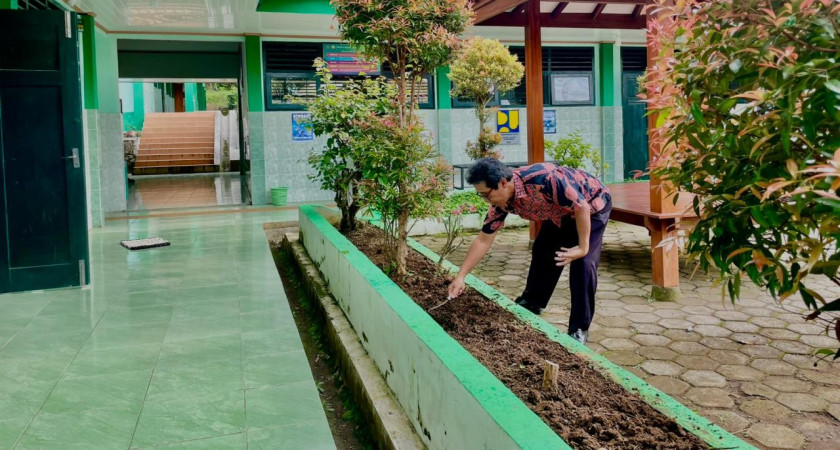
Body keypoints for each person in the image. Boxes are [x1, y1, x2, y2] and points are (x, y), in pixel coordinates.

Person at [447, 158, 612, 344]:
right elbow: (484, 239)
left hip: (592, 206)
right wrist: (461, 276)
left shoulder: (544, 179)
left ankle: (579, 328)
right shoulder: (501, 203)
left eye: (486, 194)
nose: (486, 200)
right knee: (543, 251)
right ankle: (533, 302)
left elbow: (581, 206)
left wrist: (583, 247)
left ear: (503, 182)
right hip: (558, 212)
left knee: (583, 264)